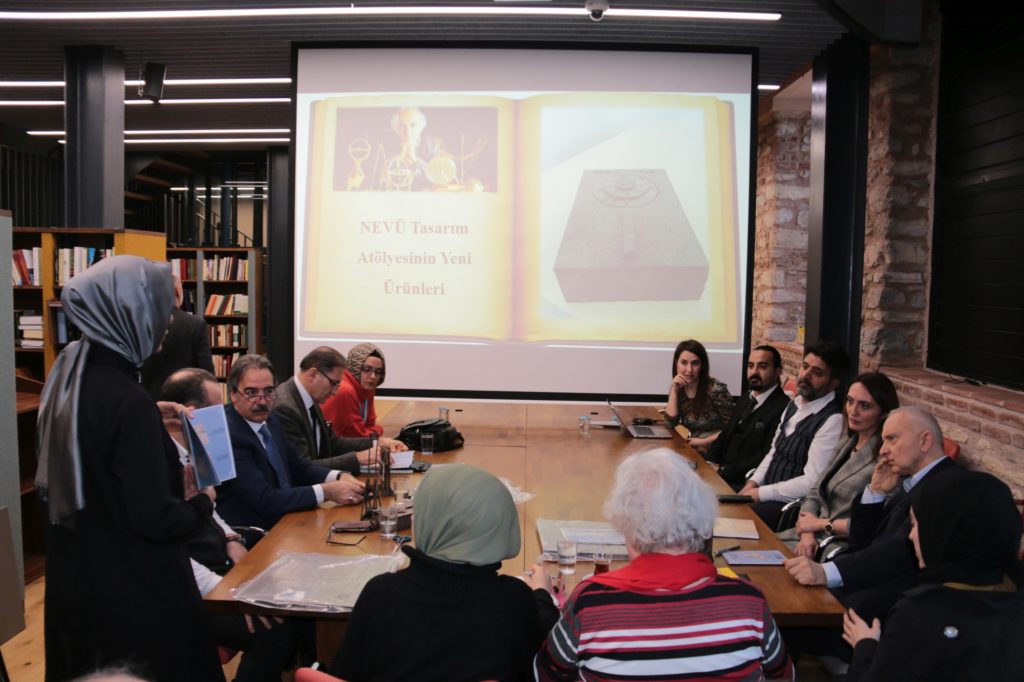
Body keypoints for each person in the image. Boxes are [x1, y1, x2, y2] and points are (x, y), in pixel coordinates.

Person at [36, 256, 223, 682]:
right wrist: (201, 502)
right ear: (129, 315)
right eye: (160, 310)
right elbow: (156, 519)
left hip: (81, 586)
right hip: (135, 595)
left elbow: (94, 461)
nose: (168, 322)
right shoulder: (127, 401)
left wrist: (149, 417)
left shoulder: (69, 379)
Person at [534, 448, 794, 681]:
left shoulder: (591, 601)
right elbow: (784, 675)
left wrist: (542, 597)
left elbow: (544, 674)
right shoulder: (749, 600)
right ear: (704, 521)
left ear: (626, 524)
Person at [328, 464, 558, 681]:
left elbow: (342, 674)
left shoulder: (381, 594)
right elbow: (548, 657)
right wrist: (541, 594)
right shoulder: (512, 599)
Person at [160, 367, 310, 682]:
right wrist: (230, 593)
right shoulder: (156, 465)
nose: (224, 417)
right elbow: (170, 554)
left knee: (298, 604)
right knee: (276, 630)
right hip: (186, 590)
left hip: (220, 566)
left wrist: (231, 538)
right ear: (188, 413)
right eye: (217, 408)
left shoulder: (193, 451)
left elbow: (210, 509)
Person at [843, 470, 1024, 681]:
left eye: (915, 525)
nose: (911, 536)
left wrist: (865, 646)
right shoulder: (1014, 590)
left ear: (946, 531)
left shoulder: (922, 614)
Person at [784, 406, 962, 622]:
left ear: (925, 441)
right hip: (863, 584)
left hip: (885, 605)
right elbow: (861, 541)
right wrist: (875, 493)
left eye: (892, 439)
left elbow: (901, 551)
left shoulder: (947, 486)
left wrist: (826, 572)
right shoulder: (915, 480)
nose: (883, 450)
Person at [215, 354, 367, 535]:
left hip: (288, 518)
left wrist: (339, 476)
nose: (262, 401)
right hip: (257, 532)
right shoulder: (228, 435)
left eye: (268, 391)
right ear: (233, 394)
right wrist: (327, 491)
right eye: (251, 392)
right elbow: (265, 500)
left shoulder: (271, 419)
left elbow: (298, 467)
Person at [781, 371, 900, 557]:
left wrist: (819, 525)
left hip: (837, 547)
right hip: (807, 537)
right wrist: (807, 533)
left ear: (883, 414)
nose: (853, 411)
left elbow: (875, 524)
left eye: (865, 406)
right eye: (850, 401)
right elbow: (815, 492)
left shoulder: (887, 460)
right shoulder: (847, 441)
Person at [740, 340, 848, 529]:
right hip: (765, 492)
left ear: (833, 383)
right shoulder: (794, 404)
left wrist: (760, 494)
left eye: (817, 373)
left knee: (735, 521)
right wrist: (752, 483)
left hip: (788, 509)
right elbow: (773, 452)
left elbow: (811, 482)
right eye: (805, 367)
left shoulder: (832, 420)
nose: (805, 375)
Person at [273, 346, 390, 475]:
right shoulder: (285, 408)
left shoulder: (310, 397)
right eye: (334, 383)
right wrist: (356, 458)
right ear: (313, 375)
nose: (335, 392)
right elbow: (300, 468)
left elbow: (332, 443)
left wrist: (377, 442)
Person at [705, 345, 790, 489]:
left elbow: (765, 456)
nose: (754, 372)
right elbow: (726, 434)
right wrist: (709, 463)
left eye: (762, 367)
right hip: (720, 474)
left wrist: (722, 471)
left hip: (743, 482)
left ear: (778, 371)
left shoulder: (783, 408)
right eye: (751, 366)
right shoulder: (746, 398)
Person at [321, 342, 407, 452]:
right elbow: (357, 435)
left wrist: (373, 431)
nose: (373, 376)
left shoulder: (365, 386)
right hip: (332, 452)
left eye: (378, 372)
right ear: (355, 368)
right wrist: (378, 430)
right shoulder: (345, 390)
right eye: (367, 369)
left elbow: (369, 424)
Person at [140, 274, 215, 398]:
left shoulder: (141, 324)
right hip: (187, 401)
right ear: (178, 291)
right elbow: (206, 372)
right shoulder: (195, 324)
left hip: (149, 399)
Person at [662, 339, 734, 451]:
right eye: (684, 363)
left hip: (718, 448)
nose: (689, 369)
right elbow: (669, 423)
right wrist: (674, 391)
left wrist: (702, 442)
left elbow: (732, 428)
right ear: (676, 364)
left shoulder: (716, 390)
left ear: (702, 365)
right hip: (694, 446)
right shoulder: (678, 388)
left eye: (695, 363)